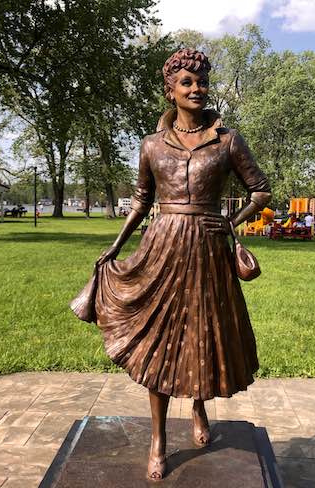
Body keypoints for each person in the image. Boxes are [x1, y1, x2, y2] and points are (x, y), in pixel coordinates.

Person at [74, 48, 271, 481]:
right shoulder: (150, 146)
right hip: (162, 248)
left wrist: (230, 222)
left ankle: (200, 408)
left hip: (207, 251)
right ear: (171, 91)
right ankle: (159, 439)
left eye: (201, 81)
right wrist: (115, 244)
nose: (196, 88)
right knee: (161, 340)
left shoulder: (228, 140)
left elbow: (261, 191)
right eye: (187, 82)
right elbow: (142, 201)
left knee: (201, 334)